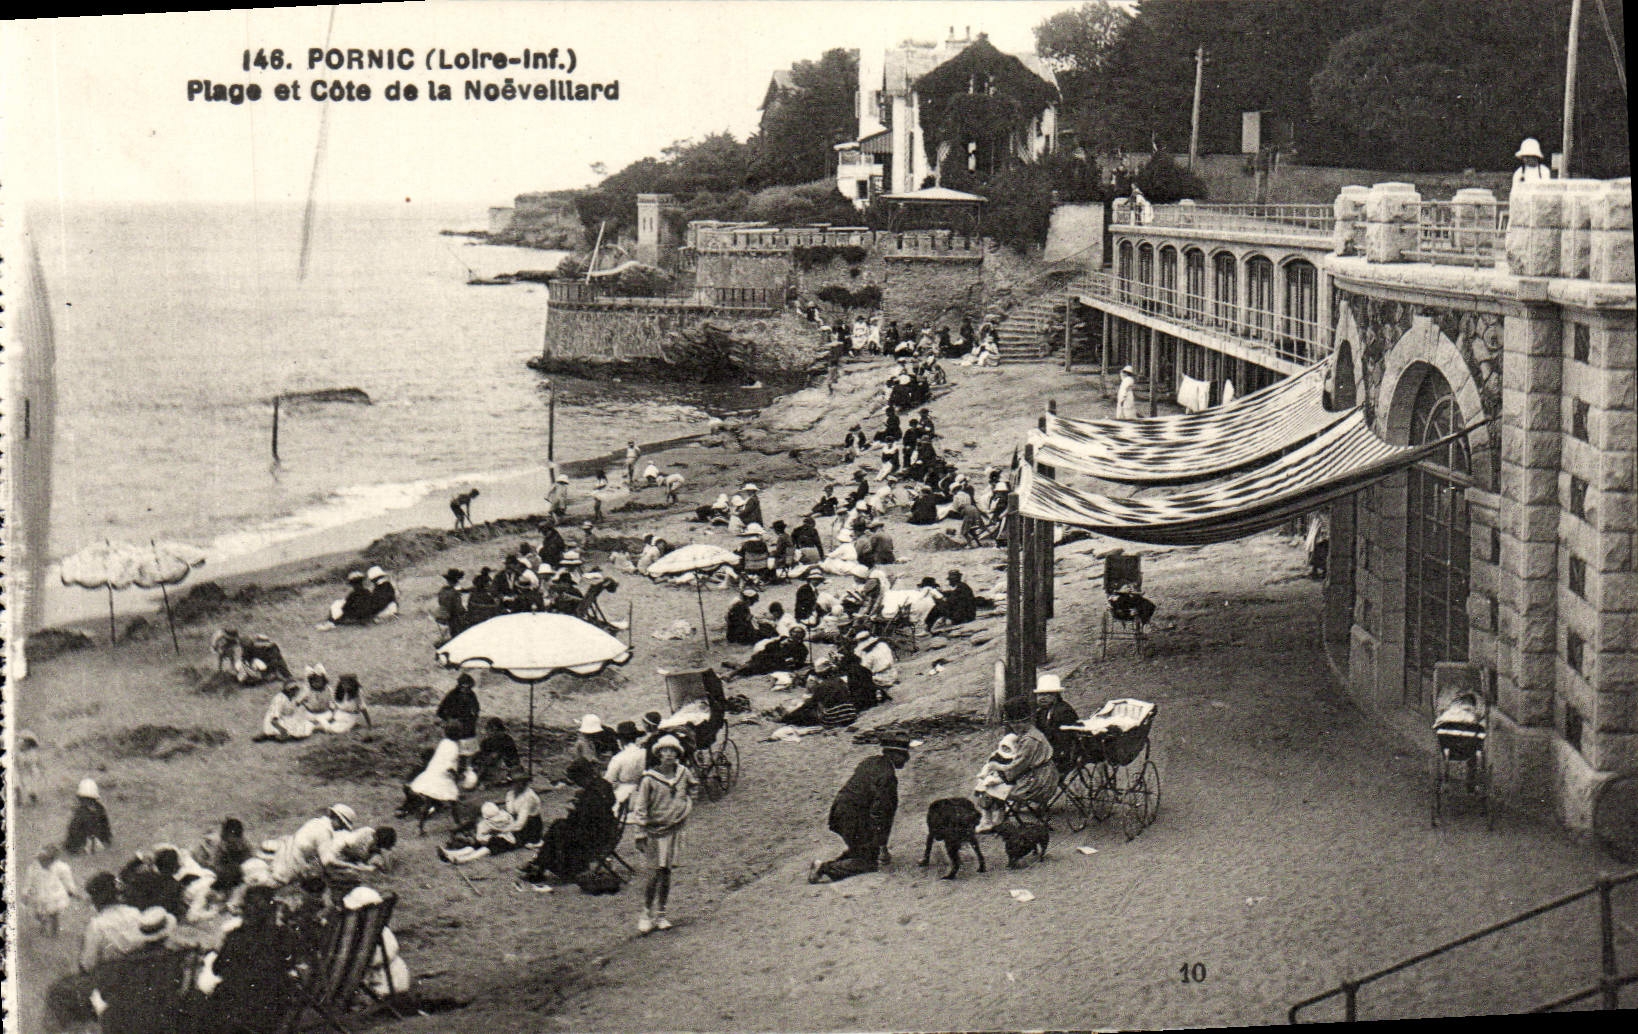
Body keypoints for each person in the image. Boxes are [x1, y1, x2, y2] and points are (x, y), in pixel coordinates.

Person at [808, 734, 909, 883]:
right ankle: (823, 868)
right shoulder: (888, 777)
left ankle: (852, 854)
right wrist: (881, 844)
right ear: (892, 754)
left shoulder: (870, 761)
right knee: (868, 863)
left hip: (840, 810)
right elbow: (881, 813)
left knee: (864, 849)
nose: (907, 759)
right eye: (903, 755)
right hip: (852, 817)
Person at [631, 735, 698, 933]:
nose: (668, 754)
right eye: (664, 751)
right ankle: (646, 914)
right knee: (653, 874)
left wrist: (686, 805)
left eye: (672, 751)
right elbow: (640, 807)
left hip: (674, 829)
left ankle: (661, 914)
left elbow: (693, 786)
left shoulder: (683, 772)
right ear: (659, 754)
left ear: (677, 754)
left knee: (666, 873)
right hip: (655, 831)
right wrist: (639, 833)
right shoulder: (649, 778)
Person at [520, 758, 619, 885]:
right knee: (558, 826)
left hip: (596, 837)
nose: (578, 784)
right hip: (607, 830)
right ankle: (539, 865)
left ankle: (540, 866)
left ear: (582, 776)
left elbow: (584, 820)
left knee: (558, 829)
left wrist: (575, 810)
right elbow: (604, 808)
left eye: (578, 781)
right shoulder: (603, 785)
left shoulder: (592, 793)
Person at [974, 698, 1057, 832]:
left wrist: (997, 767)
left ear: (1021, 722)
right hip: (1039, 775)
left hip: (1038, 783)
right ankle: (997, 818)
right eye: (1012, 723)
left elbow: (1017, 767)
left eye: (1015, 723)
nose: (1013, 727)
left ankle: (991, 821)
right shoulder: (1031, 733)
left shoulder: (1030, 740)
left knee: (989, 786)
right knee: (993, 780)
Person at [267, 804, 359, 885]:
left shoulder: (316, 822)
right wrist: (354, 867)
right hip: (290, 866)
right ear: (336, 819)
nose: (341, 829)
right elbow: (328, 861)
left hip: (284, 857)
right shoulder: (325, 832)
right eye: (342, 825)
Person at [401, 723, 463, 830]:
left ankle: (421, 827)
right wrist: (457, 776)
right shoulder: (454, 747)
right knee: (453, 801)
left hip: (432, 774)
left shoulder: (444, 742)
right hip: (443, 777)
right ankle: (458, 823)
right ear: (457, 734)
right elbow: (449, 766)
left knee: (428, 802)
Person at [24, 845, 82, 937]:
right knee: (39, 912)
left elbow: (67, 881)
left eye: (46, 860)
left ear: (53, 860)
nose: (43, 863)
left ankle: (54, 932)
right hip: (39, 894)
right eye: (41, 860)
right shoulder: (33, 868)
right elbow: (28, 882)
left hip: (54, 895)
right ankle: (43, 925)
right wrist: (25, 893)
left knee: (54, 914)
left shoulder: (61, 868)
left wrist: (73, 892)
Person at [1031, 672, 1082, 774]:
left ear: (1056, 695)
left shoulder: (1063, 711)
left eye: (1047, 694)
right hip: (1048, 751)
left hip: (1062, 756)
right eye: (1040, 694)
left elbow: (1066, 741)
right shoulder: (1042, 712)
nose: (1042, 698)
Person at [436, 673, 482, 778]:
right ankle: (453, 773)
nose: (466, 689)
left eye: (468, 687)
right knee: (453, 753)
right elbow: (440, 711)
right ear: (459, 685)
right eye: (464, 686)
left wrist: (473, 718)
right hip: (455, 730)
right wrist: (450, 720)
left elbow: (476, 710)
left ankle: (464, 774)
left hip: (468, 730)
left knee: (467, 755)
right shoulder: (452, 695)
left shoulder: (472, 695)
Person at [732, 625, 810, 679]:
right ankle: (733, 672)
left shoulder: (802, 649)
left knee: (752, 669)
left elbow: (799, 662)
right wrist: (780, 645)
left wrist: (793, 660)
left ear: (802, 636)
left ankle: (733, 670)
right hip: (766, 656)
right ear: (790, 633)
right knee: (754, 664)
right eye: (794, 632)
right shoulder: (783, 639)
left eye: (799, 633)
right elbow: (768, 647)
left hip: (777, 663)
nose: (796, 634)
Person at [604, 721, 648, 811]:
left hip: (623, 792)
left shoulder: (619, 758)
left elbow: (608, 781)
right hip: (643, 790)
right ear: (635, 738)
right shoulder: (645, 753)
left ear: (621, 740)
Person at [66, 777, 114, 855]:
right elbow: (73, 832)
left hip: (92, 843)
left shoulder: (85, 812)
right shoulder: (98, 809)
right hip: (88, 844)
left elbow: (106, 829)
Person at [474, 717, 521, 785]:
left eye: (495, 731)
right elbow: (481, 760)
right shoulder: (486, 742)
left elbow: (514, 761)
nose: (490, 733)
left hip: (505, 769)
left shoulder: (507, 740)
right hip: (490, 769)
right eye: (490, 731)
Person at [436, 568, 467, 639]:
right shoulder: (455, 592)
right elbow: (458, 607)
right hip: (456, 618)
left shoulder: (443, 590)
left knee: (453, 633)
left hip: (447, 616)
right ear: (456, 581)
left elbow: (440, 602)